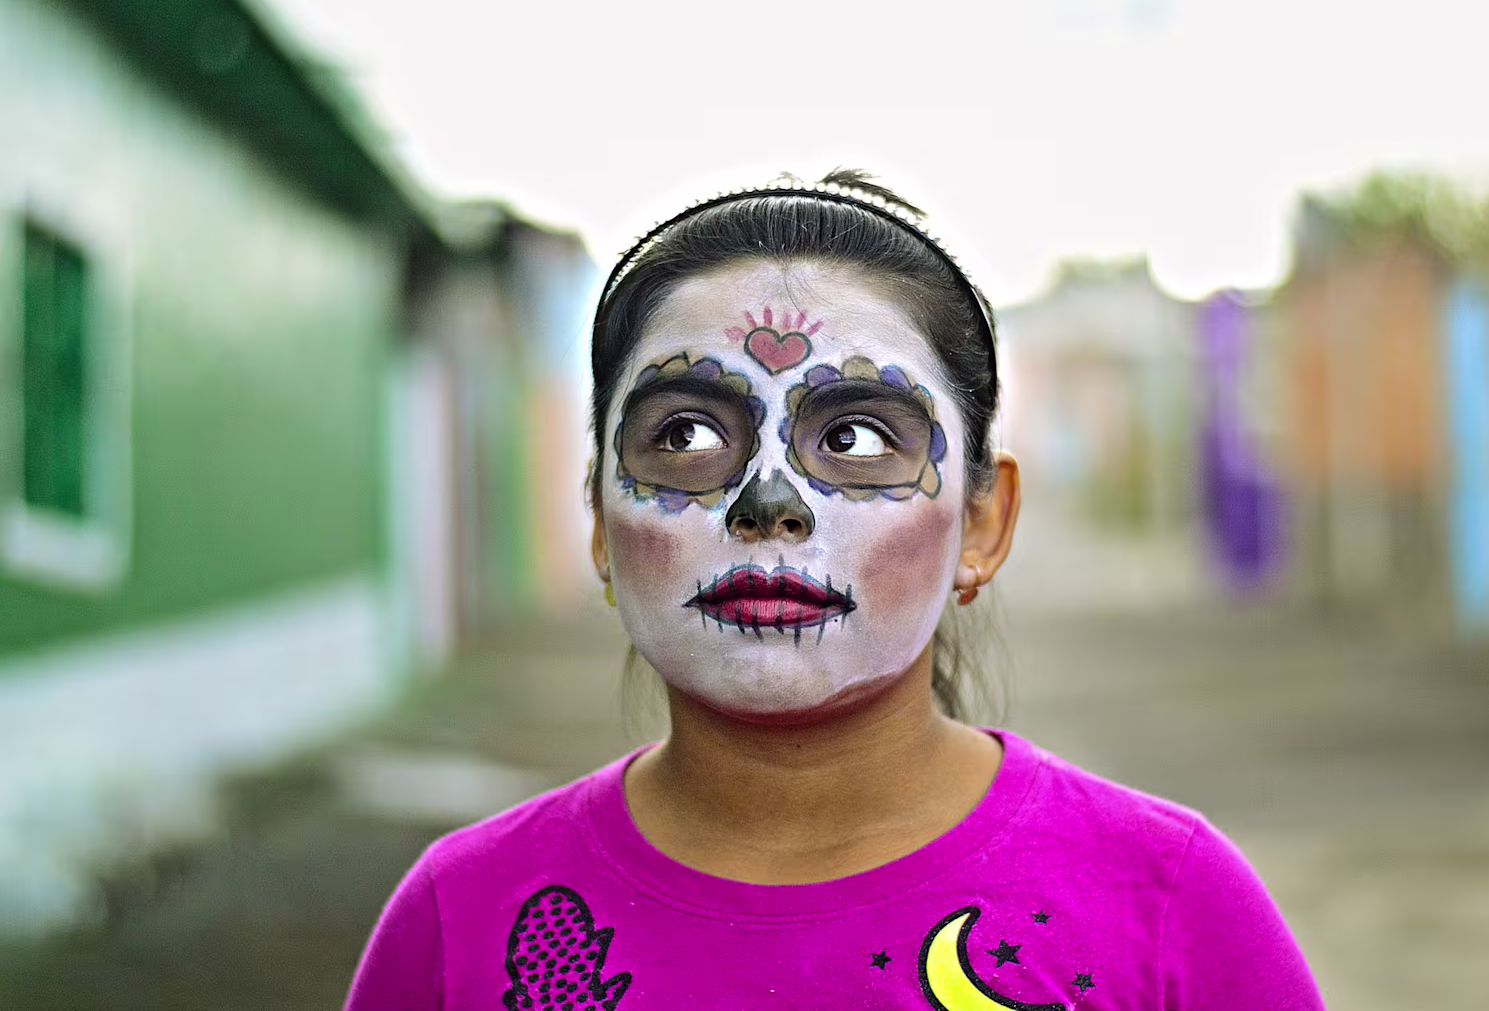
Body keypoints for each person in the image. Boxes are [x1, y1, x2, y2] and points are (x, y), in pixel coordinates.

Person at [345, 169, 1324, 1010]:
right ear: (600, 520)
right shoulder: (462, 919)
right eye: (685, 435)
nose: (768, 504)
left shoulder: (1165, 900)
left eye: (855, 437)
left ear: (984, 522)